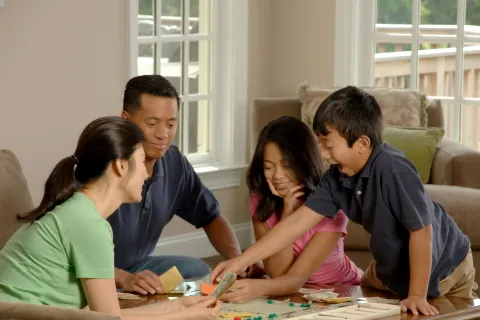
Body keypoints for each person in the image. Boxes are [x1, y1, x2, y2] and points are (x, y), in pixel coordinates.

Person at [211, 86, 477, 316]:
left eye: (328, 145)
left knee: (438, 314)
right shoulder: (336, 178)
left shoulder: (393, 169)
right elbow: (294, 226)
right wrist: (241, 261)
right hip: (391, 270)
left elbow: (421, 231)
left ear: (361, 143)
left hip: (443, 266)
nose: (324, 155)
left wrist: (417, 294)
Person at [0, 116, 221, 319]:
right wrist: (190, 316)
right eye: (142, 161)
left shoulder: (80, 211)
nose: (146, 173)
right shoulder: (88, 224)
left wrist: (177, 307)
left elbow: (106, 314)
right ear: (121, 165)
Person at [109, 75, 262, 296]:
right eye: (152, 124)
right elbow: (73, 254)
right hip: (94, 273)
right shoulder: (103, 166)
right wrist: (123, 279)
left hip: (137, 266)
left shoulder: (174, 162)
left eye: (171, 124)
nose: (163, 134)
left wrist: (236, 260)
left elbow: (211, 216)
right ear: (126, 120)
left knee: (196, 269)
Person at [221, 116, 363, 303]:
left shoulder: (332, 205)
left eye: (287, 166)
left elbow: (295, 278)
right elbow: (277, 273)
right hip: (295, 294)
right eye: (269, 167)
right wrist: (286, 213)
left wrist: (258, 287)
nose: (278, 176)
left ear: (304, 161)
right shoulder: (261, 202)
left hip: (342, 290)